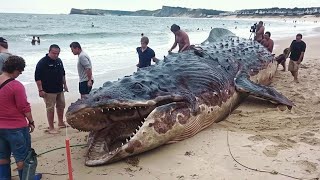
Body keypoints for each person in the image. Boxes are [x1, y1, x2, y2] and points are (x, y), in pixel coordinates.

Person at [0, 55, 35, 180]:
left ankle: (4, 177)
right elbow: (24, 107)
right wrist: (31, 121)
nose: (20, 73)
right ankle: (26, 178)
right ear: (14, 69)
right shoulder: (16, 86)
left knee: (2, 156)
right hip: (16, 128)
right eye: (20, 70)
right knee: (22, 157)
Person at [35, 44, 68, 134]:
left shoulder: (59, 61)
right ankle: (51, 127)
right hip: (48, 90)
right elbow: (37, 77)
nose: (56, 55)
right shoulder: (42, 62)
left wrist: (65, 85)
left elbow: (63, 73)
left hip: (59, 89)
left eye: (58, 53)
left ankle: (61, 122)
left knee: (61, 105)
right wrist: (40, 90)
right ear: (49, 51)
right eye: (54, 53)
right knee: (50, 108)